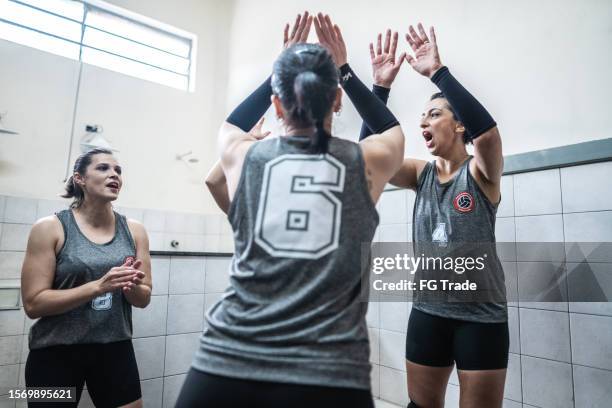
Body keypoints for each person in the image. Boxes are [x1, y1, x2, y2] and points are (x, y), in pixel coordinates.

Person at [176, 12, 405, 407]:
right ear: (336, 99)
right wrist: (346, 71)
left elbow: (230, 126)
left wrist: (277, 71)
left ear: (277, 106)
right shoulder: (365, 162)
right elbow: (391, 131)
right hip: (330, 373)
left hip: (227, 363)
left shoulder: (243, 156)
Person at [360, 24, 507, 408]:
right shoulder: (419, 174)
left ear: (460, 125)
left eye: (435, 114)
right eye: (422, 117)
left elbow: (488, 136)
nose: (423, 122)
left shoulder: (480, 173)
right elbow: (367, 156)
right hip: (428, 312)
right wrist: (379, 90)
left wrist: (438, 72)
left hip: (481, 317)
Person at [21, 148, 152, 408]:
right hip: (54, 352)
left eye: (118, 170)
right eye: (103, 168)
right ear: (79, 178)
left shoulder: (134, 230)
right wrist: (99, 286)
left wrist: (131, 285)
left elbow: (144, 298)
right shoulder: (49, 228)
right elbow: (33, 304)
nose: (114, 174)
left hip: (115, 347)